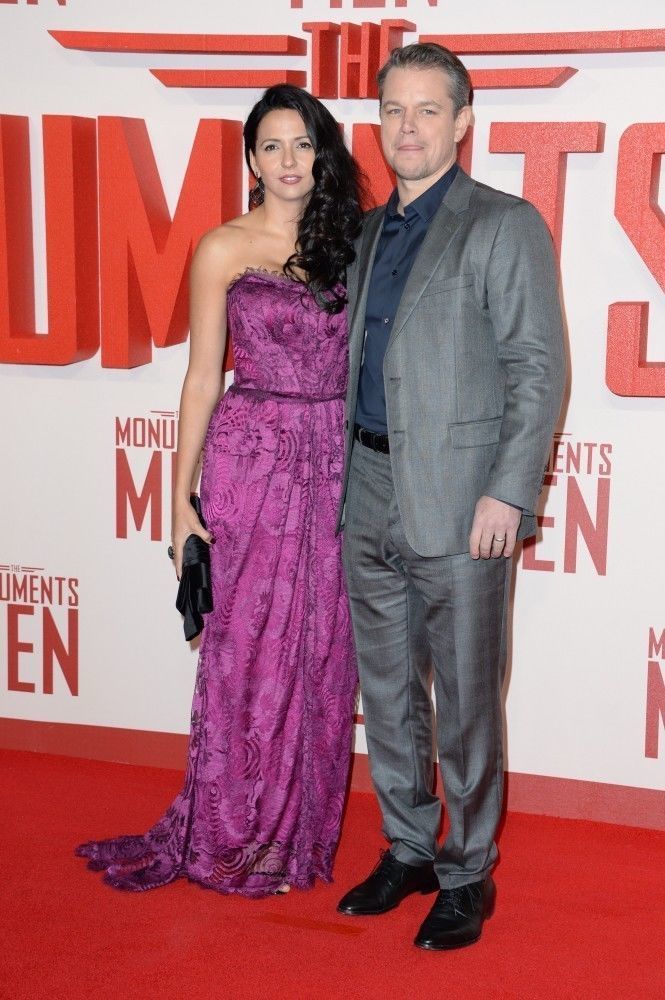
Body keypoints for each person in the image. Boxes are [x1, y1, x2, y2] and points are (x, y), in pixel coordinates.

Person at [76, 84, 362, 898]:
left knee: (322, 648)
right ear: (250, 160)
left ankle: (297, 839)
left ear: (323, 153)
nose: (288, 160)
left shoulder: (355, 243)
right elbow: (203, 377)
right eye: (271, 146)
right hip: (252, 458)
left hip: (336, 459)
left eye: (302, 143)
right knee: (246, 644)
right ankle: (234, 834)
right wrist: (180, 502)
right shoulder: (221, 247)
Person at [336, 44, 565, 948]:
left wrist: (508, 492)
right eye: (393, 109)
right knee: (388, 690)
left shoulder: (504, 223)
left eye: (427, 109)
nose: (408, 127)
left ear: (463, 121)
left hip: (465, 500)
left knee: (466, 701)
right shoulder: (364, 233)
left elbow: (536, 368)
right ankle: (408, 848)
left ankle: (467, 871)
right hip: (366, 487)